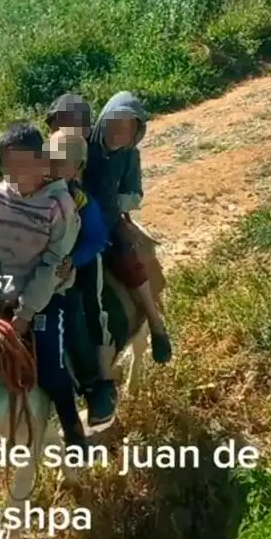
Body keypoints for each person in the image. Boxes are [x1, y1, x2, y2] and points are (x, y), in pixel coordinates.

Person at [0, 122, 85, 446]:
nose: (16, 174)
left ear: (42, 163)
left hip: (44, 298)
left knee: (52, 369)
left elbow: (52, 264)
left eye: (24, 165)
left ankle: (73, 432)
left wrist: (24, 316)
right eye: (8, 167)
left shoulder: (59, 206)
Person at [83, 91, 172, 364]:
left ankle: (156, 324)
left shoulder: (130, 156)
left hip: (108, 222)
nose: (119, 131)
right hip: (73, 218)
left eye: (127, 127)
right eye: (115, 123)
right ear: (103, 121)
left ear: (136, 131)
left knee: (128, 259)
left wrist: (115, 203)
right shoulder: (84, 146)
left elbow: (135, 194)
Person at [46, 128, 118, 426]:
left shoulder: (81, 201)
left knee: (90, 308)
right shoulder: (35, 193)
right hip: (44, 264)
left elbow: (97, 239)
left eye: (62, 161)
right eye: (50, 159)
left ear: (77, 168)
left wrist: (74, 260)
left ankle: (100, 384)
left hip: (82, 261)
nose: (53, 167)